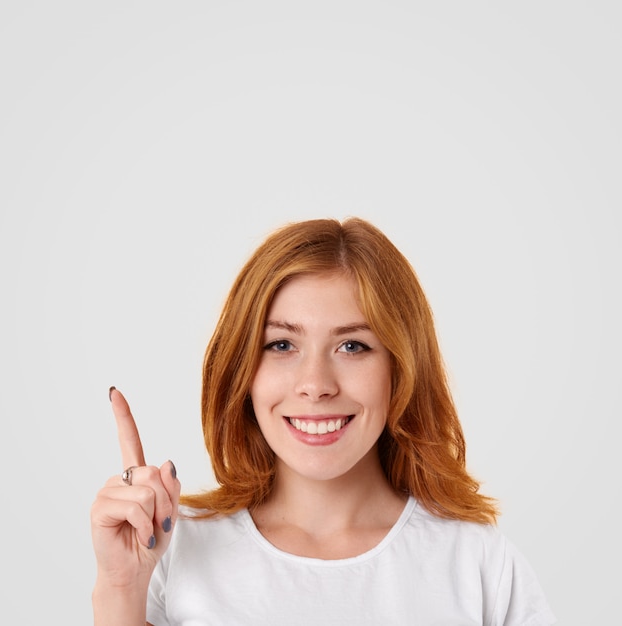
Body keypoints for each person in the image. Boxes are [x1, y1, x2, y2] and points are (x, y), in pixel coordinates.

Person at [91, 217, 556, 625]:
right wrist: (119, 589)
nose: (315, 384)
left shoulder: (475, 561)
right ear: (242, 370)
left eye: (352, 346)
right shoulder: (174, 552)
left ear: (402, 368)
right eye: (281, 345)